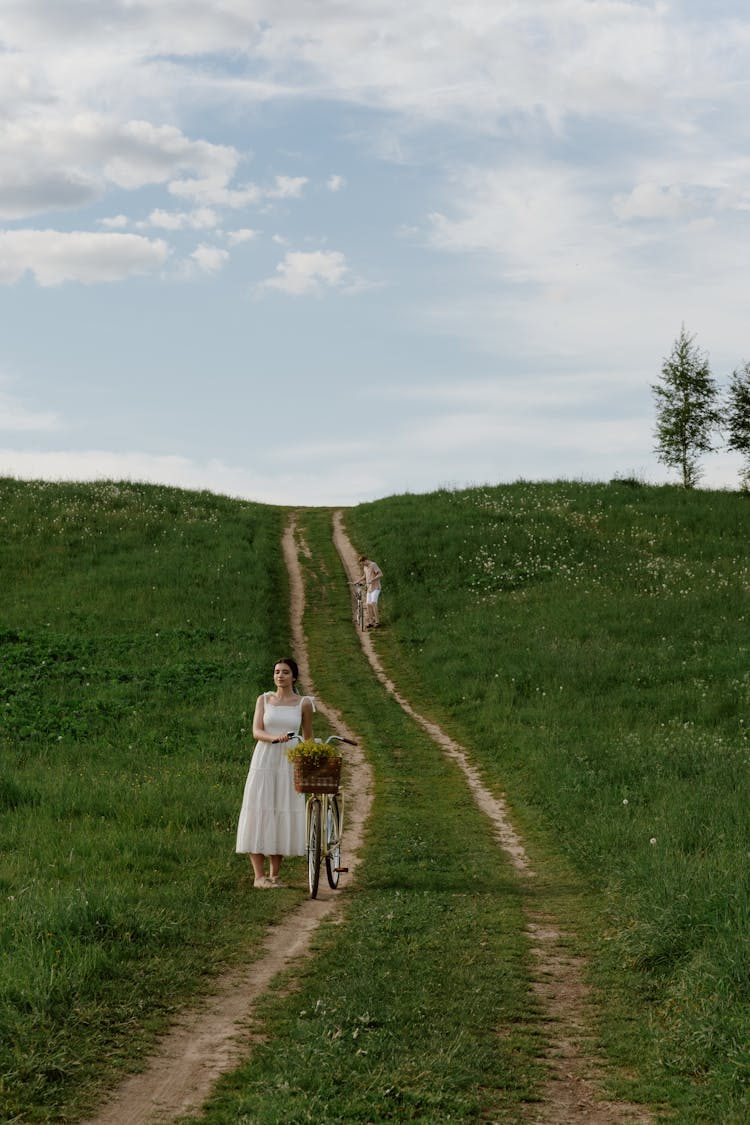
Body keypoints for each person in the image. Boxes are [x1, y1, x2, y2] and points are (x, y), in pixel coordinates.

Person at [235, 657, 314, 889]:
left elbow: (307, 735)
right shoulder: (264, 699)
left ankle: (275, 874)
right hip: (265, 758)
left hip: (289, 760)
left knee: (282, 808)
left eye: (285, 672)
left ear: (294, 677)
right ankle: (258, 876)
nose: (280, 676)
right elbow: (257, 731)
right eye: (277, 672)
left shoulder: (304, 703)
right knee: (259, 808)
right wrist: (274, 738)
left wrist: (310, 760)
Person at [358, 554, 383, 628]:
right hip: (369, 588)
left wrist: (373, 579)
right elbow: (364, 576)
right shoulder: (365, 567)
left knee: (373, 603)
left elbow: (381, 574)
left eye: (363, 563)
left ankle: (377, 622)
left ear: (365, 560)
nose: (363, 565)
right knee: (368, 604)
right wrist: (356, 581)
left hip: (376, 587)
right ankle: (371, 622)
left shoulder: (373, 564)